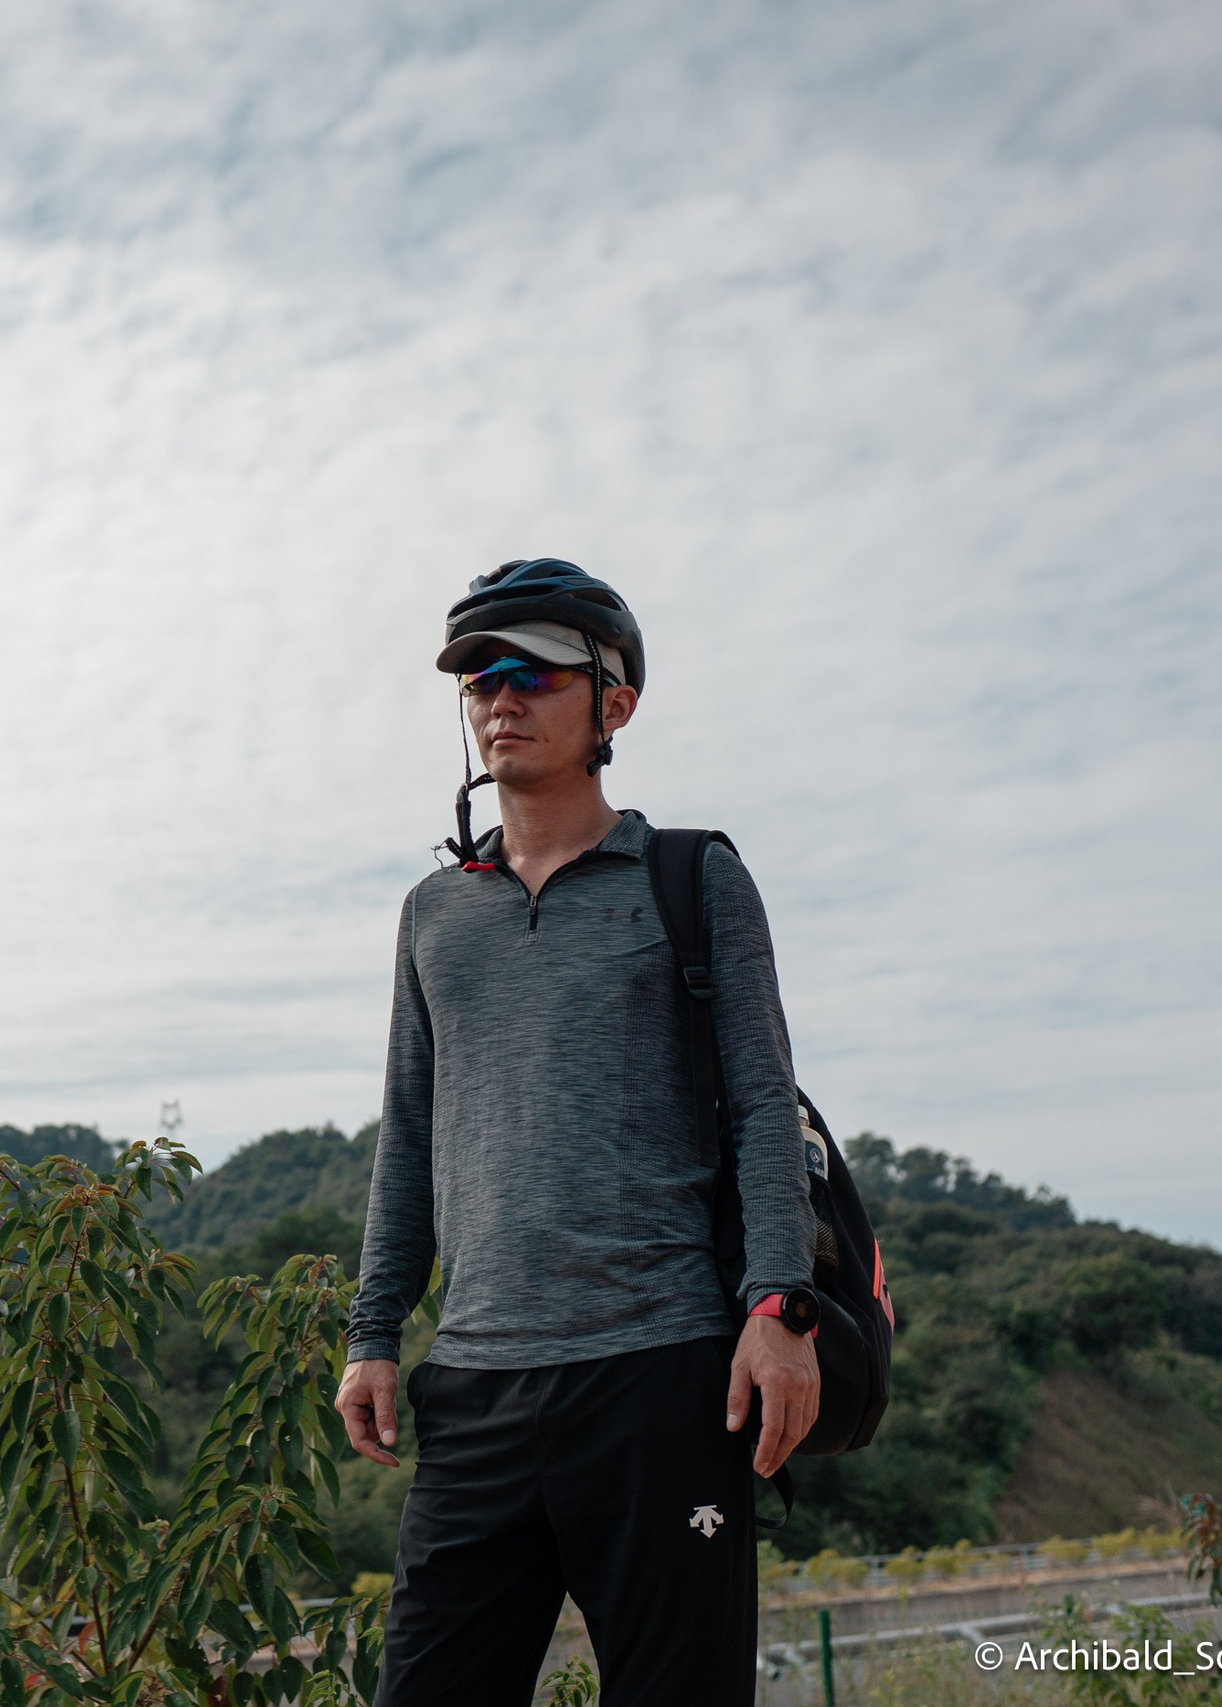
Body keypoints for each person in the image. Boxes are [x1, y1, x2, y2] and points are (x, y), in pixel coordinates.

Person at [337, 559, 819, 1706]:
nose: (499, 699)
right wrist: (370, 1330)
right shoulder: (433, 911)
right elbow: (409, 1130)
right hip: (476, 1386)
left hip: (660, 1379)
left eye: (534, 675)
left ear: (613, 704)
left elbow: (762, 1105)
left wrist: (779, 1308)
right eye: (476, 679)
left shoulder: (691, 876)